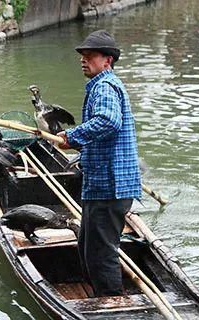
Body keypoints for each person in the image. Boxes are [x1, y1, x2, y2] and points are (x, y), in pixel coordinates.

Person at [57, 30, 142, 297]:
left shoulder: (104, 87)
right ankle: (98, 294)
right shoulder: (104, 85)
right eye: (82, 56)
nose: (84, 60)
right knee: (87, 246)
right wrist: (79, 144)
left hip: (110, 186)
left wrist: (72, 136)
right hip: (102, 184)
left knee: (100, 252)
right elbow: (107, 132)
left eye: (90, 56)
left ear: (107, 60)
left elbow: (108, 121)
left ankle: (113, 303)